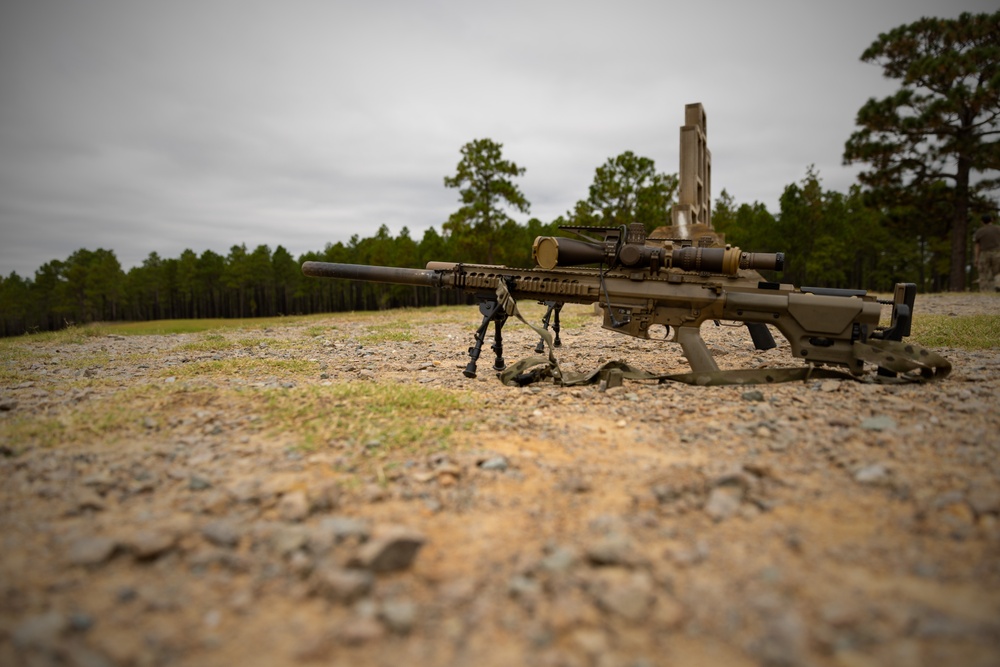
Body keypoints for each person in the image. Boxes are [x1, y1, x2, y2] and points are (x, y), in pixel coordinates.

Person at [973, 213, 1000, 292]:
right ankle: (998, 284)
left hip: (984, 253)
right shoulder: (998, 229)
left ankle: (986, 291)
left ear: (982, 221)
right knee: (998, 271)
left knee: (984, 273)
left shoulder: (979, 232)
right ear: (991, 220)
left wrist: (976, 258)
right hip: (998, 252)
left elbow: (977, 246)